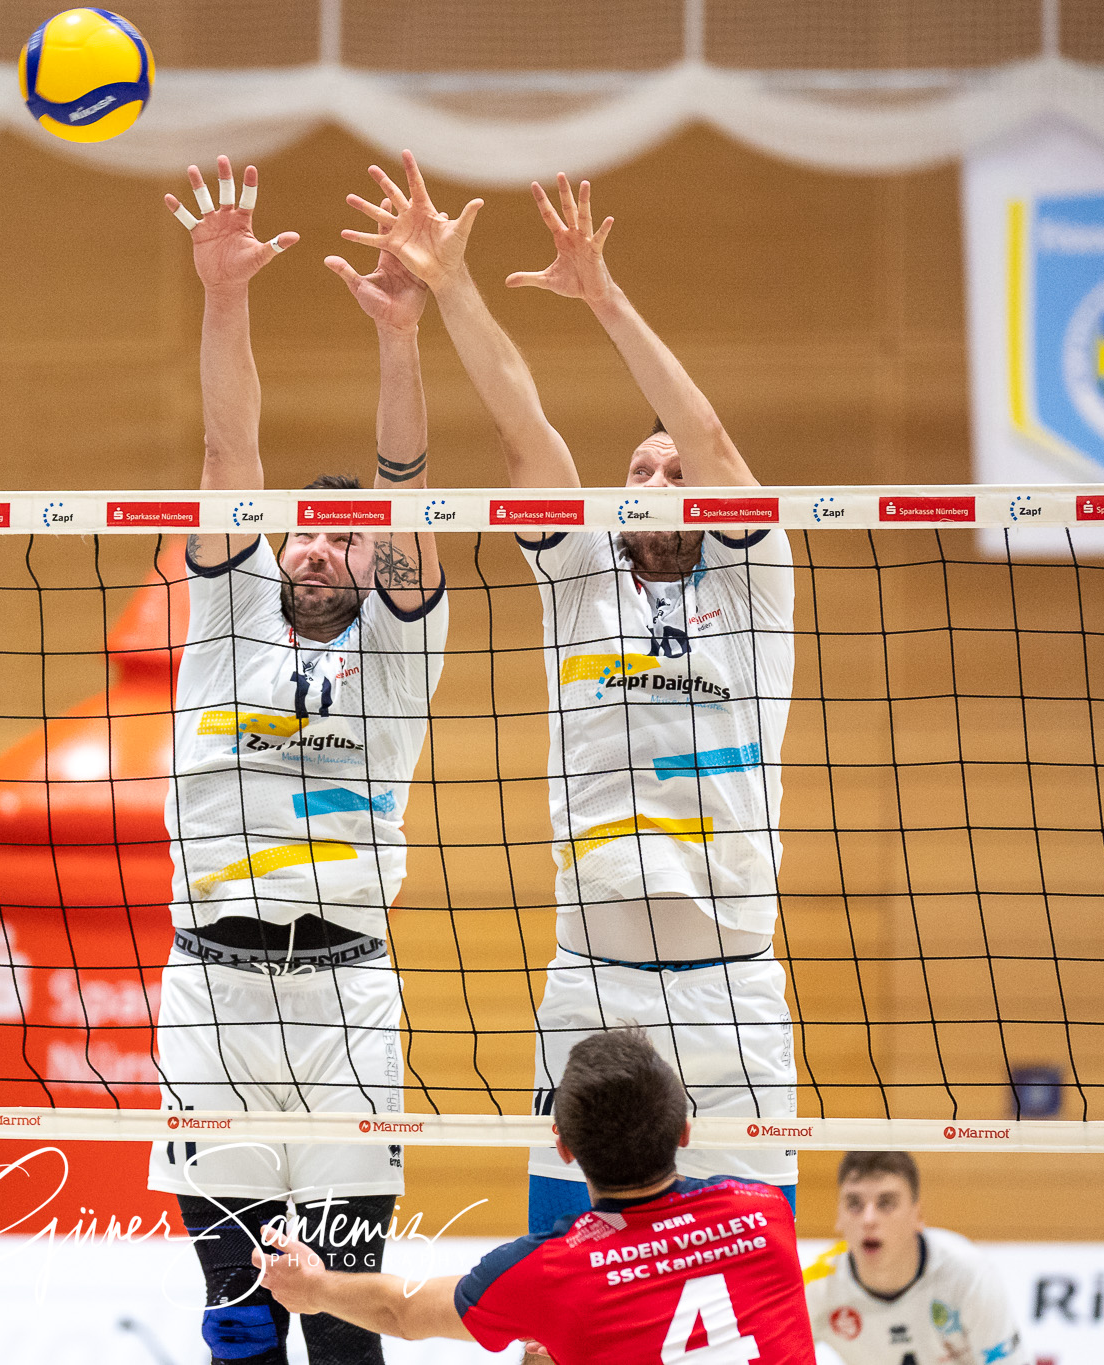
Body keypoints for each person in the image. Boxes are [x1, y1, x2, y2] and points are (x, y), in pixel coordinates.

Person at [341, 154, 800, 1233]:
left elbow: (717, 446)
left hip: (729, 990)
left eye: (668, 472)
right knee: (567, 1287)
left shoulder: (755, 580)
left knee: (747, 1278)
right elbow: (523, 433)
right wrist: (451, 286)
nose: (649, 483)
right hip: (592, 988)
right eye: (634, 471)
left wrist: (604, 298)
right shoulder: (581, 578)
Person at [151, 155, 449, 1365]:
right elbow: (230, 456)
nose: (317, 547)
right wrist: (223, 295)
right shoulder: (224, 626)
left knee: (341, 1320)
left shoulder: (399, 657)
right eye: (304, 533)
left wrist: (398, 340)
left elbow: (411, 498)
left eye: (344, 534)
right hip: (210, 999)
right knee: (234, 1316)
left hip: (346, 1004)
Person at [253, 1028, 817, 1363]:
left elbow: (400, 1311)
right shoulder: (766, 1212)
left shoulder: (545, 1273)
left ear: (564, 1150)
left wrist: (314, 1287)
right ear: (686, 1133)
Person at [806, 1152, 1025, 1365]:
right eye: (854, 1204)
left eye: (886, 1203)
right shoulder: (812, 1287)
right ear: (838, 1216)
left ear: (917, 1215)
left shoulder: (968, 1274)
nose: (868, 1219)